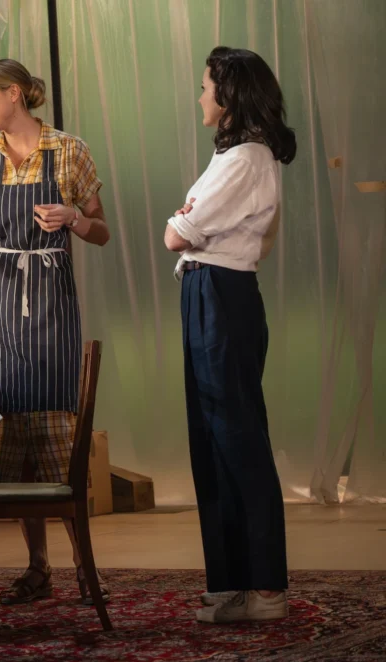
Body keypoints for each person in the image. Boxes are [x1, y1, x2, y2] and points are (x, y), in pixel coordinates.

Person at [0, 59, 111, 605]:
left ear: (14, 93)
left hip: (50, 305)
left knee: (55, 438)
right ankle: (38, 567)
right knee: (12, 432)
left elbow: (102, 231)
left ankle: (84, 566)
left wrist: (73, 218)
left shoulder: (68, 151)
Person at [164, 46, 295, 623]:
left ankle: (265, 586)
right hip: (205, 290)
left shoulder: (246, 158)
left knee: (237, 437)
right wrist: (188, 221)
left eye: (205, 86)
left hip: (222, 295)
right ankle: (234, 582)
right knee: (211, 437)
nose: (200, 96)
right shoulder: (231, 155)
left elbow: (176, 233)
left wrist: (185, 219)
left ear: (228, 94)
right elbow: (188, 227)